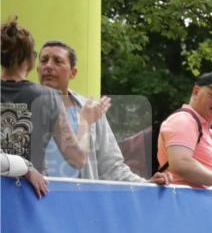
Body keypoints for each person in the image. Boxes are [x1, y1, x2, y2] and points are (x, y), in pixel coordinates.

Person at [38, 39, 168, 184]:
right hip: (37, 199)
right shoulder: (25, 107)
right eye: (44, 60)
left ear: (73, 73)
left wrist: (145, 184)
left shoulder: (91, 111)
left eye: (57, 61)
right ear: (37, 69)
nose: (48, 66)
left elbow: (111, 166)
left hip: (80, 202)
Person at [2, 18, 103, 176]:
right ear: (30, 60)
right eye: (43, 59)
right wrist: (84, 122)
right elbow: (77, 159)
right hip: (29, 194)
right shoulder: (48, 97)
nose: (49, 66)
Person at [156, 71, 212, 196]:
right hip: (185, 204)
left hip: (195, 204)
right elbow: (181, 164)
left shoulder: (201, 127)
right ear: (196, 91)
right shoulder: (184, 119)